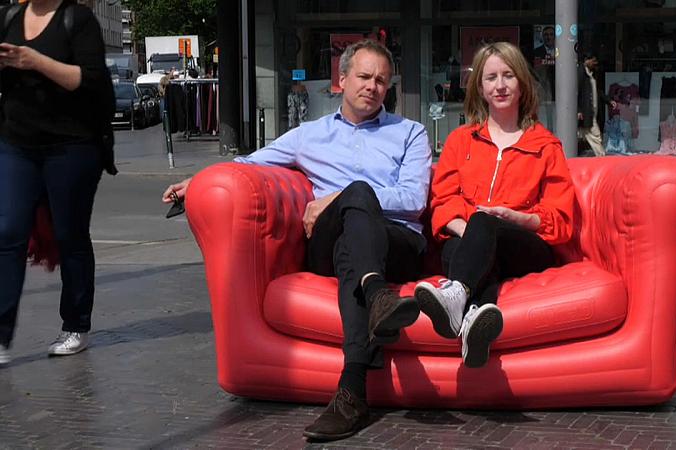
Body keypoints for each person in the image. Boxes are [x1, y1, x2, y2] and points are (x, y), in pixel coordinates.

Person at [162, 40, 431, 441]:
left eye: (381, 80)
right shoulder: (310, 135)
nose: (372, 87)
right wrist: (199, 182)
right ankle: (376, 301)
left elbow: (412, 200)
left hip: (396, 244)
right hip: (328, 242)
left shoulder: (410, 133)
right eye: (364, 77)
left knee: (353, 229)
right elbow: (250, 162)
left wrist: (337, 197)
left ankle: (354, 387)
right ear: (342, 79)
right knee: (354, 210)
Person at [414, 42, 576, 368]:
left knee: (483, 223)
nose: (500, 85)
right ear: (480, 88)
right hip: (469, 242)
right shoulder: (461, 140)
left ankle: (456, 294)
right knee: (462, 243)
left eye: (508, 76)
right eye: (491, 78)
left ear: (522, 84)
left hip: (526, 247)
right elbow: (443, 201)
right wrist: (476, 235)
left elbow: (560, 219)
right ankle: (475, 319)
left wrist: (517, 218)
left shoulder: (546, 146)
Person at [0, 0, 116, 365]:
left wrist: (34, 61)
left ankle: (76, 325)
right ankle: (1, 334)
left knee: (70, 235)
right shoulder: (9, 17)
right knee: (8, 232)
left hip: (72, 146)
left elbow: (88, 79)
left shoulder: (77, 19)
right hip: (16, 143)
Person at [578, 53, 616, 157]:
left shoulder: (591, 74)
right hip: (586, 113)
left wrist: (609, 101)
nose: (595, 63)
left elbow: (597, 91)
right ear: (587, 60)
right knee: (595, 135)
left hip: (591, 112)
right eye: (593, 61)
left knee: (587, 135)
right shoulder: (580, 73)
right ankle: (601, 156)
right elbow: (577, 92)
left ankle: (600, 156)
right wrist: (579, 110)